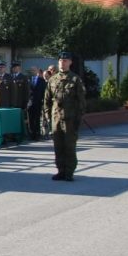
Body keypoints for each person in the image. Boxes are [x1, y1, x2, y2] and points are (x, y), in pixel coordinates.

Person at [43, 51, 86, 181]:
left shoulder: (75, 79)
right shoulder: (53, 79)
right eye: (61, 60)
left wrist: (78, 118)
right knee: (58, 146)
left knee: (69, 146)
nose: (63, 62)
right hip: (56, 118)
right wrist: (48, 117)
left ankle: (69, 172)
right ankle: (60, 170)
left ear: (70, 62)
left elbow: (81, 102)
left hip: (70, 119)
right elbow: (47, 100)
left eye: (66, 60)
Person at [27, 67, 47, 141]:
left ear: (38, 71)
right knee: (30, 119)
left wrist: (43, 102)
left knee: (37, 119)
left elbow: (44, 93)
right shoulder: (28, 80)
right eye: (32, 70)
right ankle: (31, 134)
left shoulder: (42, 81)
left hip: (38, 102)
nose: (33, 71)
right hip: (29, 103)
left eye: (34, 70)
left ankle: (37, 134)